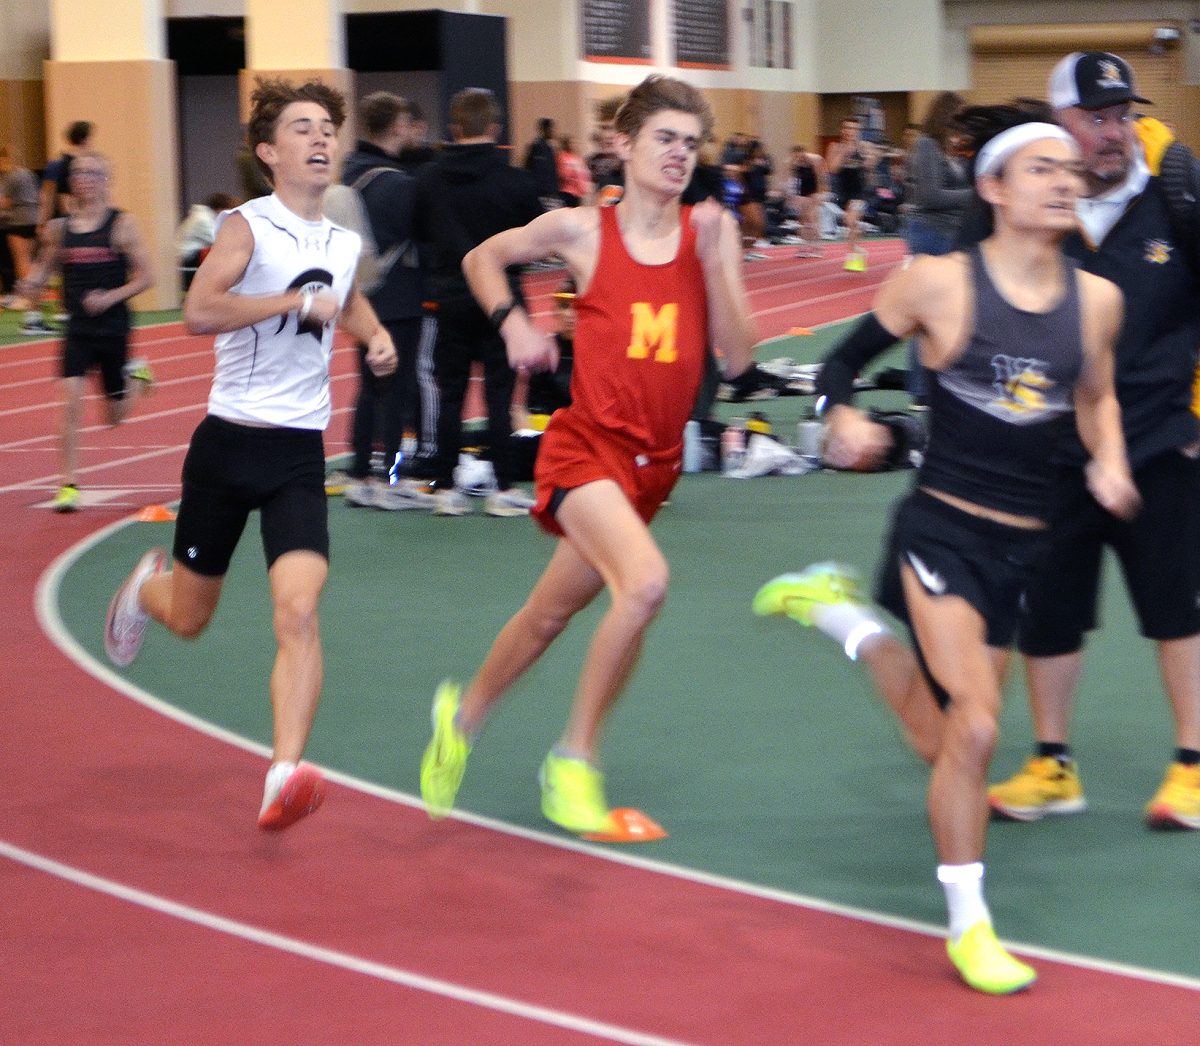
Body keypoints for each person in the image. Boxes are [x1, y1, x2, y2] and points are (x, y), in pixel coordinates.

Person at [753, 112, 1139, 994]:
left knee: (943, 742)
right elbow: (842, 364)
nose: (1065, 180)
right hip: (942, 531)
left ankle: (839, 614)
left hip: (1021, 546)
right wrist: (839, 416)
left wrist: (1110, 456)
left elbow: (1096, 397)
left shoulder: (1098, 299)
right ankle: (971, 925)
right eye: (1042, 168)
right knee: (975, 727)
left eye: (1072, 169)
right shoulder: (937, 284)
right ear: (996, 189)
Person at [419, 74, 755, 839]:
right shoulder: (580, 232)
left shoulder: (709, 231)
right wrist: (511, 326)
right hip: (585, 449)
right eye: (665, 138)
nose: (679, 154)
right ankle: (573, 764)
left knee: (547, 617)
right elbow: (481, 259)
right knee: (643, 587)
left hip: (654, 466)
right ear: (623, 144)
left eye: (690, 143)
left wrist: (717, 265)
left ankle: (460, 720)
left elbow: (737, 360)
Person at [101, 78, 397, 832]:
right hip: (227, 446)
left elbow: (344, 292)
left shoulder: (340, 238)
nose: (321, 138)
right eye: (303, 128)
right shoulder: (245, 227)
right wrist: (289, 303)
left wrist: (373, 332)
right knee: (193, 618)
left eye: (327, 127)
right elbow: (199, 311)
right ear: (270, 152)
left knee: (298, 610)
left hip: (300, 455)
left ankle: (283, 772)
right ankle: (145, 589)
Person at [987, 52, 1200, 830]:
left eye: (1120, 117)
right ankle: (1052, 765)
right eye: (1094, 119)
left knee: (1177, 610)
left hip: (1163, 443)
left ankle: (1194, 767)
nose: (1112, 134)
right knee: (1049, 611)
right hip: (1054, 452)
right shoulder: (1037, 208)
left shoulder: (1177, 196)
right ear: (1059, 125)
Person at [412, 88, 543, 517]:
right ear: (495, 128)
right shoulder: (514, 179)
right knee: (500, 395)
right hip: (501, 300)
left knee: (450, 393)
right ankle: (502, 487)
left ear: (453, 127)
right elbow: (532, 240)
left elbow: (420, 232)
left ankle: (447, 486)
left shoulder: (429, 178)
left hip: (448, 298)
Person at [16, 151, 155, 512]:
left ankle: (137, 378)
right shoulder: (60, 230)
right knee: (69, 402)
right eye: (78, 173)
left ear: (106, 181)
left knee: (113, 418)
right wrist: (29, 285)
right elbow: (44, 271)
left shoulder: (122, 224)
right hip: (77, 329)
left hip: (112, 328)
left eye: (93, 174)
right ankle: (68, 484)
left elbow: (146, 277)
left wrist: (111, 296)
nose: (84, 180)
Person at [338, 91, 437, 512]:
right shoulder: (400, 184)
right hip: (399, 297)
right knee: (395, 390)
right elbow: (425, 236)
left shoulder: (347, 173)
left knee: (368, 386)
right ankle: (391, 478)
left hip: (359, 294)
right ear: (397, 126)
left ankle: (360, 473)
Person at [826, 116, 873, 271]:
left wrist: (867, 157)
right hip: (841, 192)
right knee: (849, 223)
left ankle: (855, 255)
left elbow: (871, 164)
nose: (849, 131)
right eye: (847, 128)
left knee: (851, 220)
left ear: (858, 131)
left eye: (853, 128)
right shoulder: (835, 147)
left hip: (859, 192)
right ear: (842, 130)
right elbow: (832, 168)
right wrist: (845, 152)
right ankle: (858, 253)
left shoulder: (863, 147)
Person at [0, 146, 39, 308]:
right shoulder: (26, 173)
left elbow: (5, 203)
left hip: (17, 222)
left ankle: (26, 298)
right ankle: (32, 295)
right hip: (32, 219)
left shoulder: (10, 177)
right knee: (29, 260)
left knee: (20, 261)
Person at [176, 192, 236, 291]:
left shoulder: (204, 217)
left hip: (190, 256)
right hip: (186, 259)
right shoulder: (203, 220)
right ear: (221, 208)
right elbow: (220, 240)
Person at [787, 144, 826, 257]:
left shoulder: (814, 160)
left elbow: (820, 178)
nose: (797, 158)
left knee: (812, 218)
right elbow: (793, 179)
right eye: (795, 156)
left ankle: (817, 247)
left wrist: (820, 194)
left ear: (803, 153)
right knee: (803, 220)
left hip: (814, 192)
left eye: (798, 156)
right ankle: (804, 246)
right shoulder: (794, 163)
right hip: (802, 193)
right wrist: (793, 196)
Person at [524, 116, 561, 209]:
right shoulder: (537, 147)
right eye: (552, 128)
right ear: (546, 129)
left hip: (550, 192)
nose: (554, 131)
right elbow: (530, 168)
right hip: (543, 193)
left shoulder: (550, 147)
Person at [556, 135, 593, 207]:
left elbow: (583, 173)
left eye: (575, 143)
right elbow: (563, 173)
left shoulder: (577, 158)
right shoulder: (562, 157)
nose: (574, 145)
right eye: (572, 143)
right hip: (567, 191)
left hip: (577, 193)